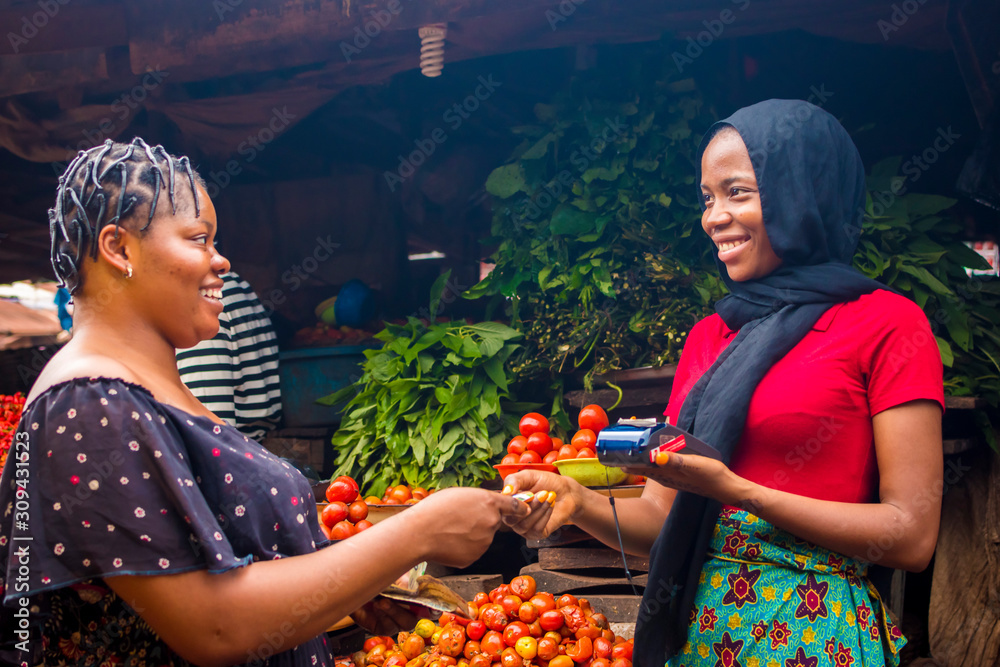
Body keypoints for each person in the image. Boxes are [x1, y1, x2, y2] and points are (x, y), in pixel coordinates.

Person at [0, 138, 530, 667]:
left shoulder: (151, 388)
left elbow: (223, 565)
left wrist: (348, 588)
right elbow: (214, 627)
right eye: (199, 239)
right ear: (119, 250)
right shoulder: (91, 406)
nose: (221, 261)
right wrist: (418, 532)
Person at [505, 99, 944, 666]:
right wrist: (578, 500)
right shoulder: (712, 336)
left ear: (802, 192)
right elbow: (662, 520)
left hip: (813, 635)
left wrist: (738, 491)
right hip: (702, 633)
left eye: (738, 192)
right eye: (708, 198)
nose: (713, 217)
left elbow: (910, 536)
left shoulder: (886, 322)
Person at [176, 269, 283, 442]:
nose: (220, 260)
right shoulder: (232, 284)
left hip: (231, 456)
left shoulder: (197, 297)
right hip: (245, 451)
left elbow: (209, 436)